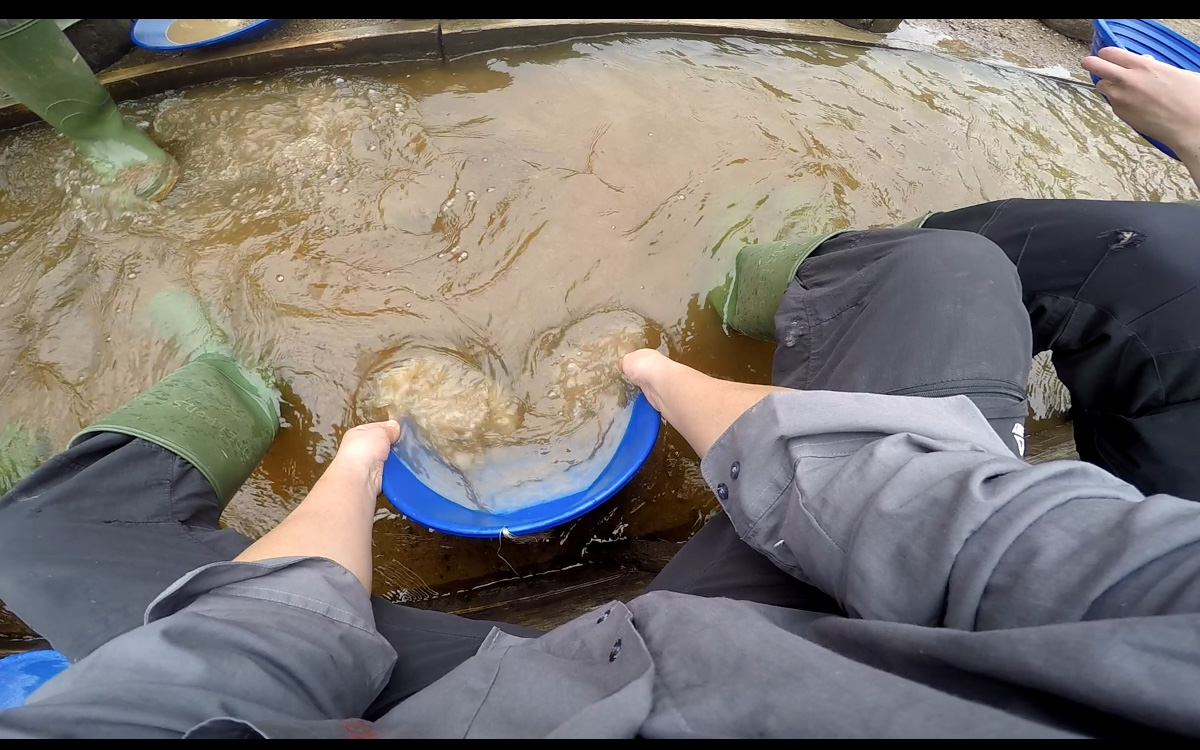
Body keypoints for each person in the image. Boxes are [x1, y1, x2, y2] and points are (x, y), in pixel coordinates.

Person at [1, 47, 1199, 738]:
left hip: (486, 713)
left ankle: (230, 380)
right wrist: (652, 370)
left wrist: (360, 455)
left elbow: (228, 670)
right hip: (866, 639)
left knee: (53, 535)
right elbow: (957, 521)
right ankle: (750, 289)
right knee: (942, 266)